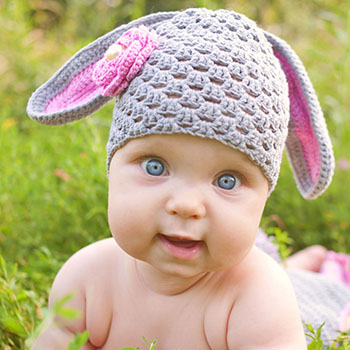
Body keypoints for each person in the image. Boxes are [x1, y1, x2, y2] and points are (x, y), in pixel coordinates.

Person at [27, 8, 349, 349]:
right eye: (155, 166)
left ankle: (314, 263)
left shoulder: (258, 299)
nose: (186, 205)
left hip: (296, 305)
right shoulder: (88, 280)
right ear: (112, 167)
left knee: (317, 294)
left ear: (263, 196)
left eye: (227, 181)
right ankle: (306, 260)